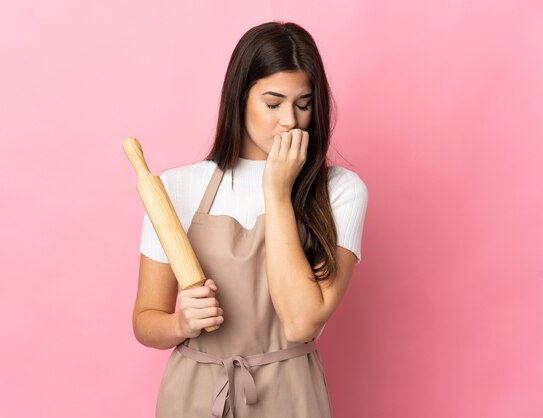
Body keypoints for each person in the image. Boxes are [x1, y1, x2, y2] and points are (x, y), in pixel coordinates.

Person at [132, 21, 368, 418]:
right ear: (239, 98)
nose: (290, 121)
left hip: (291, 396)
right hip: (194, 395)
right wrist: (180, 323)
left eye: (304, 104)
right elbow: (145, 320)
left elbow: (300, 323)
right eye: (273, 104)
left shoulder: (340, 191)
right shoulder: (178, 187)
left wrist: (277, 192)